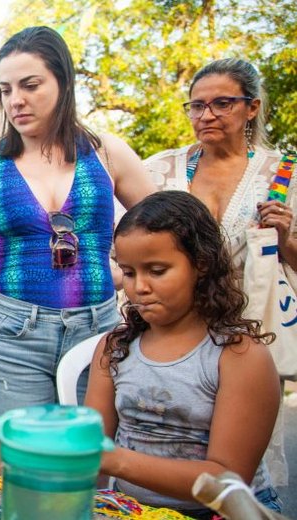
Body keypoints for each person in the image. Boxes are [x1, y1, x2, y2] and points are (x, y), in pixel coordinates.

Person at [0, 26, 155, 430]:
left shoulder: (106, 151)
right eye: (5, 90)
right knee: (19, 470)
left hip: (99, 332)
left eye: (30, 85)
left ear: (63, 81)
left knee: (88, 467)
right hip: (13, 335)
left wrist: (126, 275)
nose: (16, 100)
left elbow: (166, 232)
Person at [85, 190, 282, 518]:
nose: (140, 287)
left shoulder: (238, 355)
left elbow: (227, 480)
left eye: (157, 270)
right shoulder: (115, 348)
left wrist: (114, 459)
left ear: (201, 264)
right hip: (132, 509)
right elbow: (90, 447)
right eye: (129, 273)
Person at [144, 58, 292, 487]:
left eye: (222, 103)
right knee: (166, 441)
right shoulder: (161, 170)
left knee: (236, 461)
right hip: (172, 334)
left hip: (246, 333)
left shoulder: (282, 175)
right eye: (197, 106)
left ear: (251, 108)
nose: (206, 115)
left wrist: (286, 237)